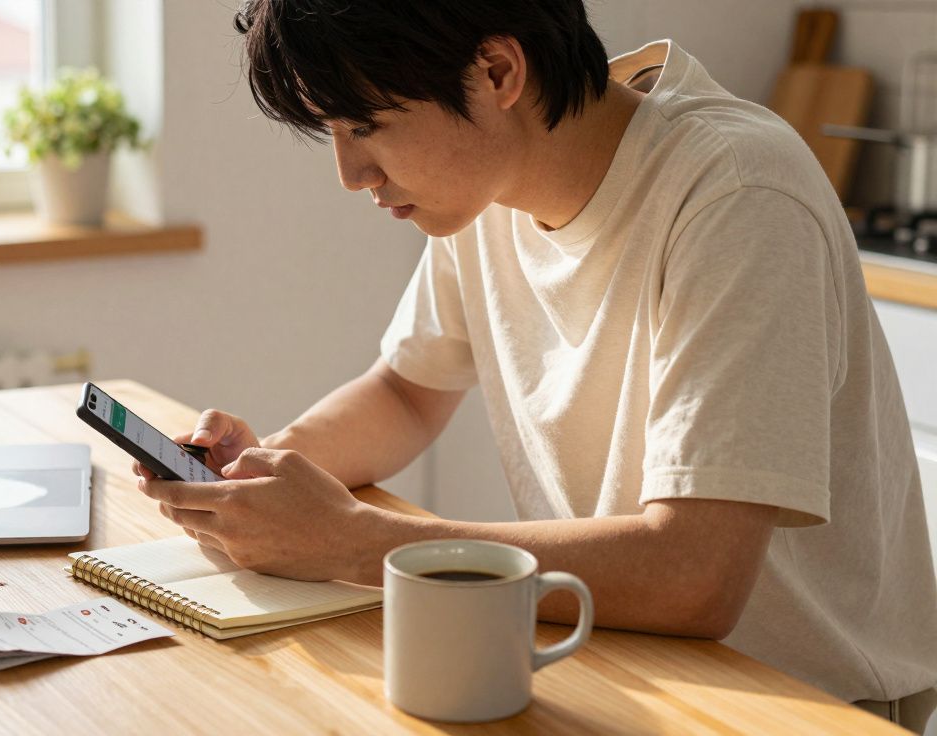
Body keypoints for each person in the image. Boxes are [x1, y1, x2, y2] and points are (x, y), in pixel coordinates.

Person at [133, 0, 937, 728]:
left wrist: (350, 541)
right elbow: (406, 393)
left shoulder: (736, 195)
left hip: (805, 702)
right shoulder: (488, 189)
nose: (351, 175)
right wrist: (264, 479)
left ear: (497, 72)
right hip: (621, 657)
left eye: (365, 125)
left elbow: (696, 573)